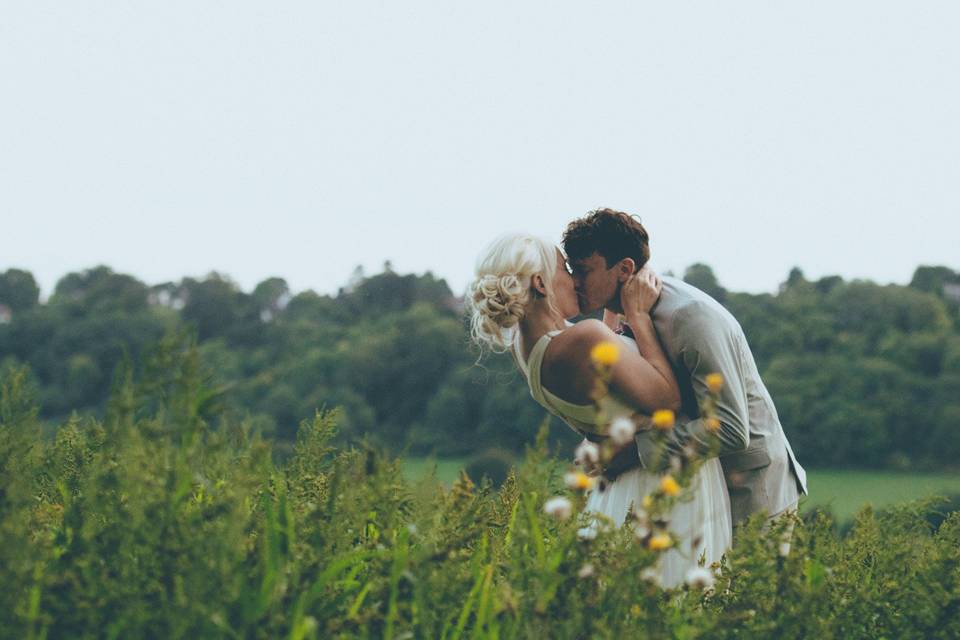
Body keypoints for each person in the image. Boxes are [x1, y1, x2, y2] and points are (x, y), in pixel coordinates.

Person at [467, 233, 731, 587]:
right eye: (564, 269)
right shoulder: (585, 338)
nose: (574, 279)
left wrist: (611, 304)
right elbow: (667, 399)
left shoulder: (524, 349)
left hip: (619, 490)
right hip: (663, 482)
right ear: (540, 283)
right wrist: (636, 315)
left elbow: (604, 380)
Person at [563, 208, 807, 527]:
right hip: (695, 493)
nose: (574, 282)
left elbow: (731, 428)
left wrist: (634, 452)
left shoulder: (689, 318)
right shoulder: (622, 311)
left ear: (624, 269)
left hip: (753, 493)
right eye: (571, 270)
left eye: (583, 271)